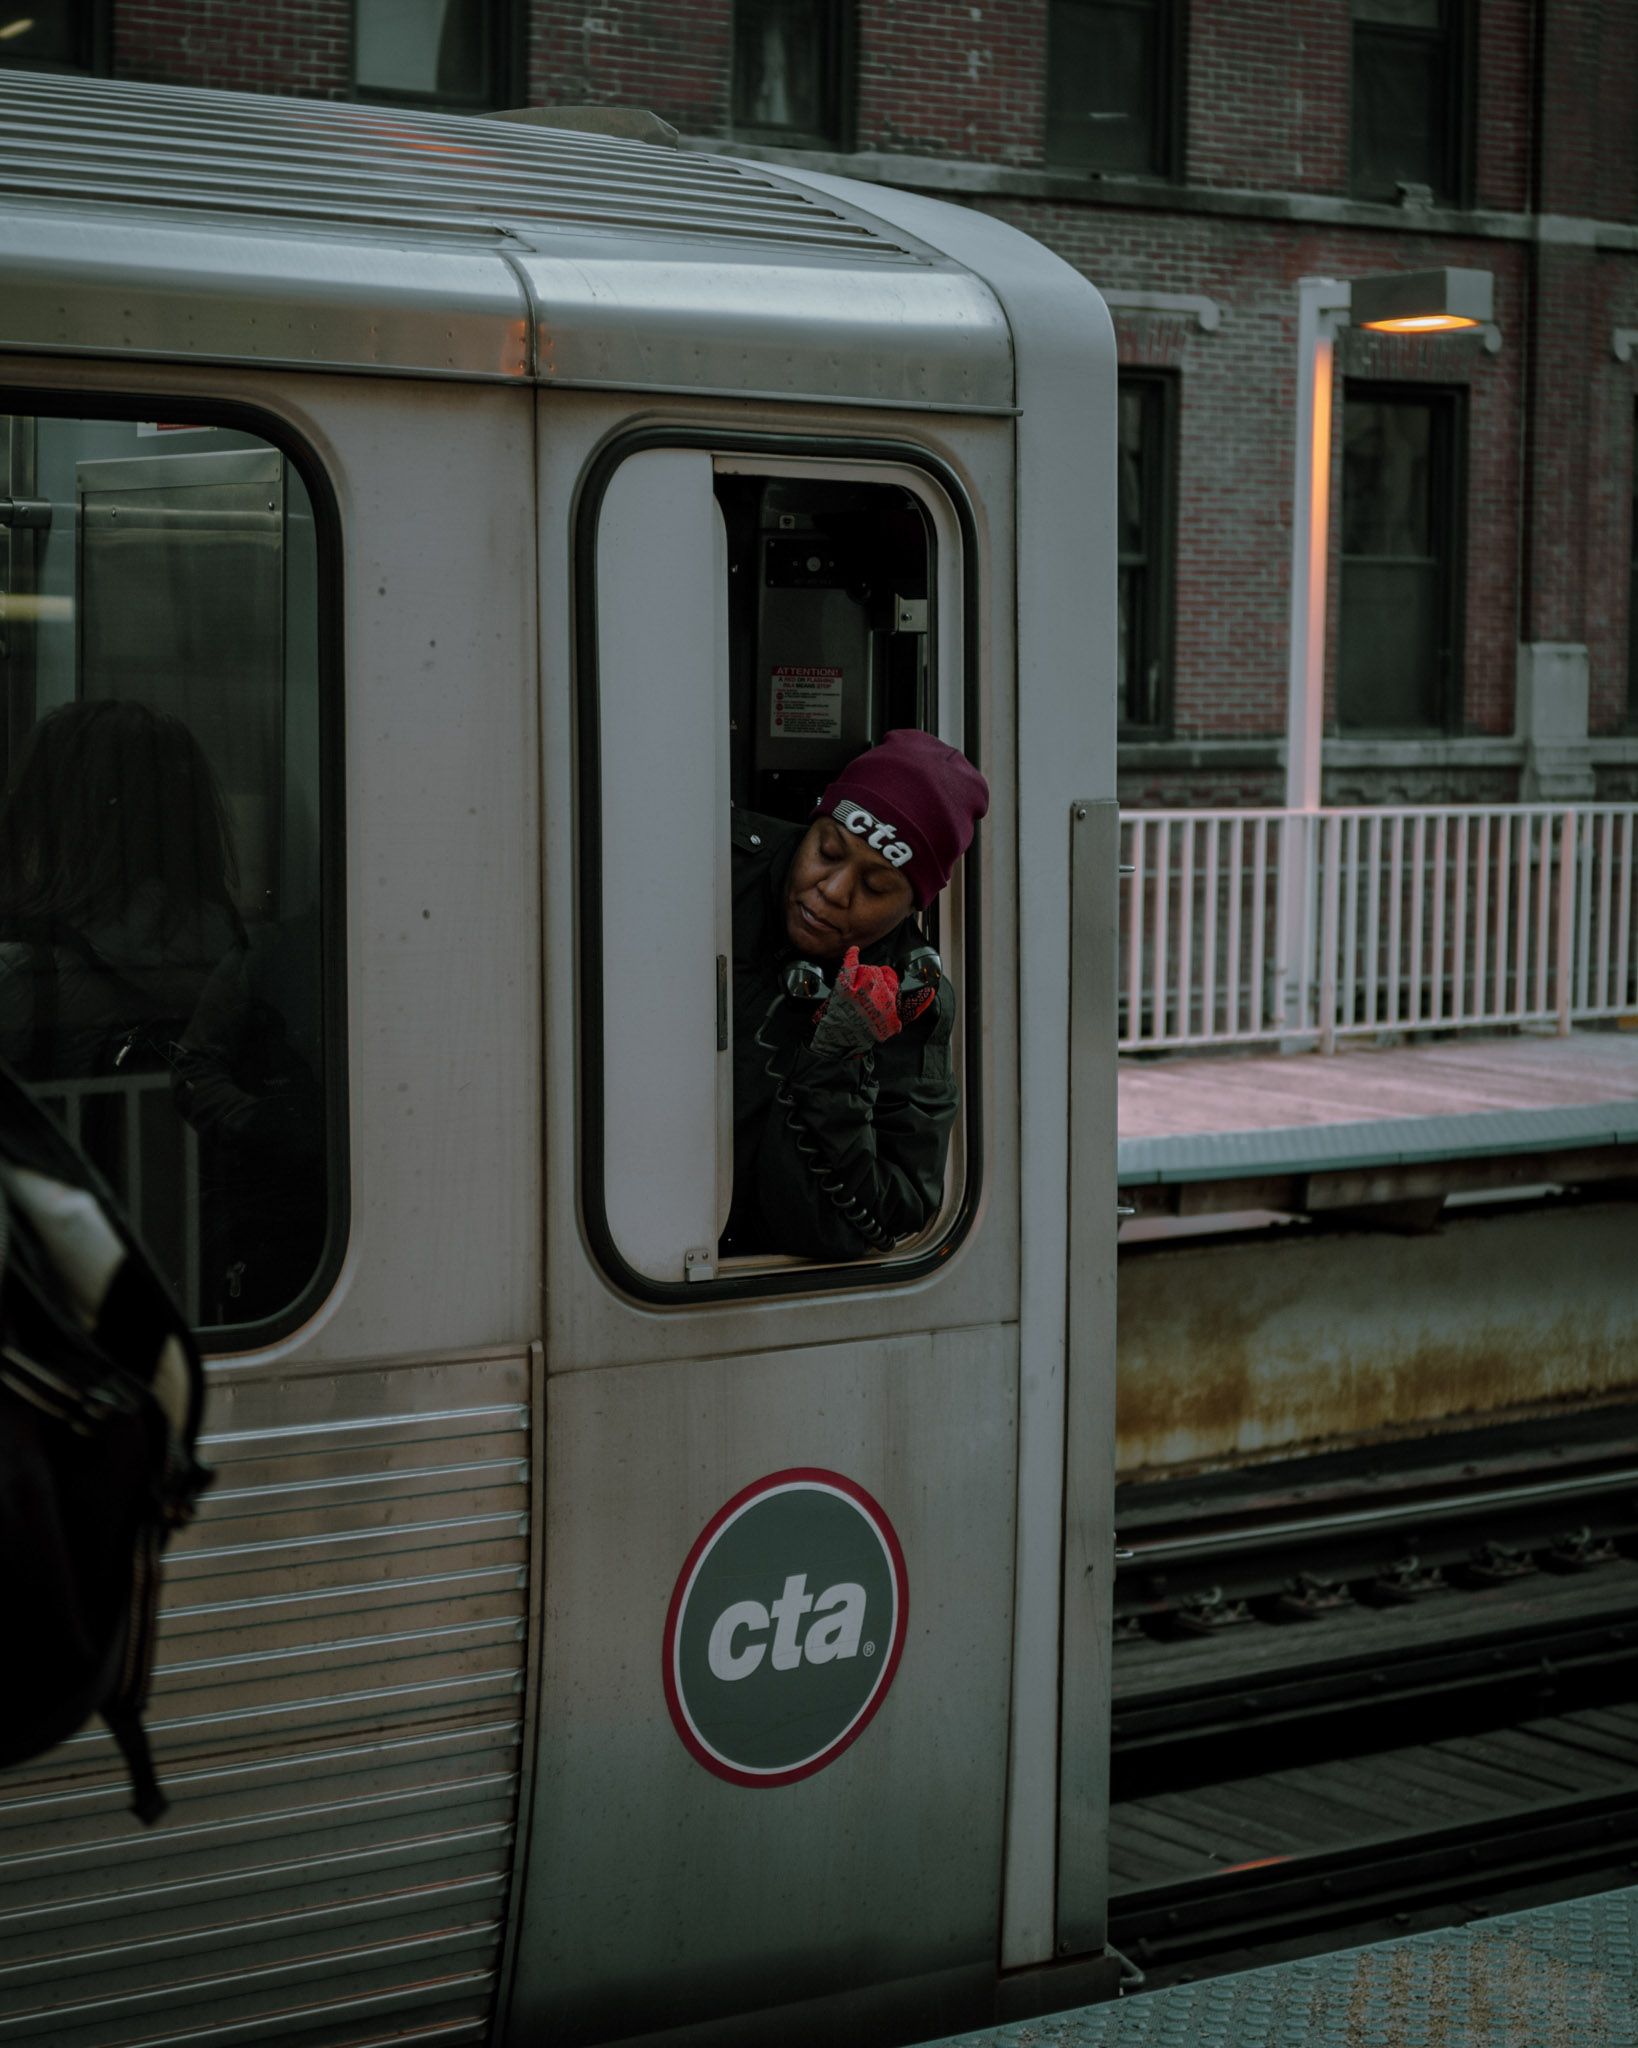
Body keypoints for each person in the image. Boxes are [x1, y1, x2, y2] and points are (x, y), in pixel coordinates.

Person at [723, 728, 989, 1263]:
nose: (833, 891)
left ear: (913, 907)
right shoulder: (717, 869)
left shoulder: (907, 1000)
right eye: (827, 851)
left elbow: (875, 1221)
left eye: (875, 887)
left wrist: (835, 1066)